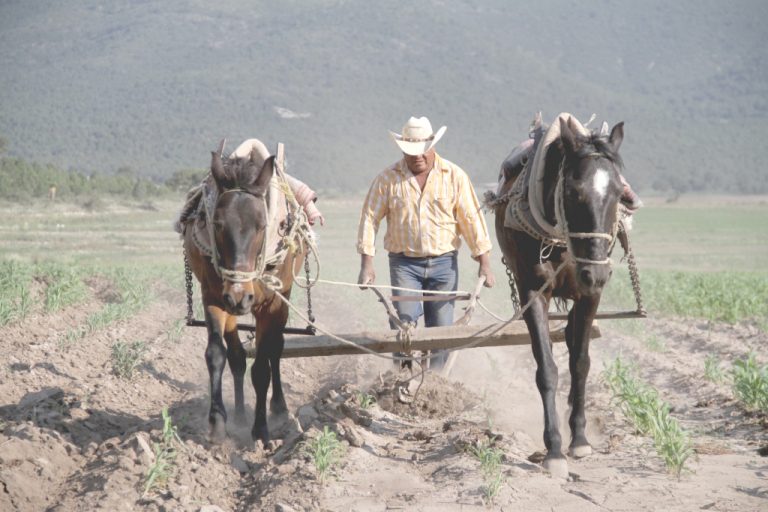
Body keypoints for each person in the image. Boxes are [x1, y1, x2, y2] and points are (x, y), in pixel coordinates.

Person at [357, 116, 495, 369]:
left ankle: (435, 383)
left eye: (422, 151)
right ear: (402, 150)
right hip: (404, 264)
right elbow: (369, 219)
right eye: (411, 153)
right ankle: (402, 376)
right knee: (404, 325)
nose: (417, 157)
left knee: (441, 330)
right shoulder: (387, 179)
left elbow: (471, 220)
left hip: (444, 264)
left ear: (432, 146)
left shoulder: (454, 176)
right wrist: (367, 263)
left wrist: (484, 262)